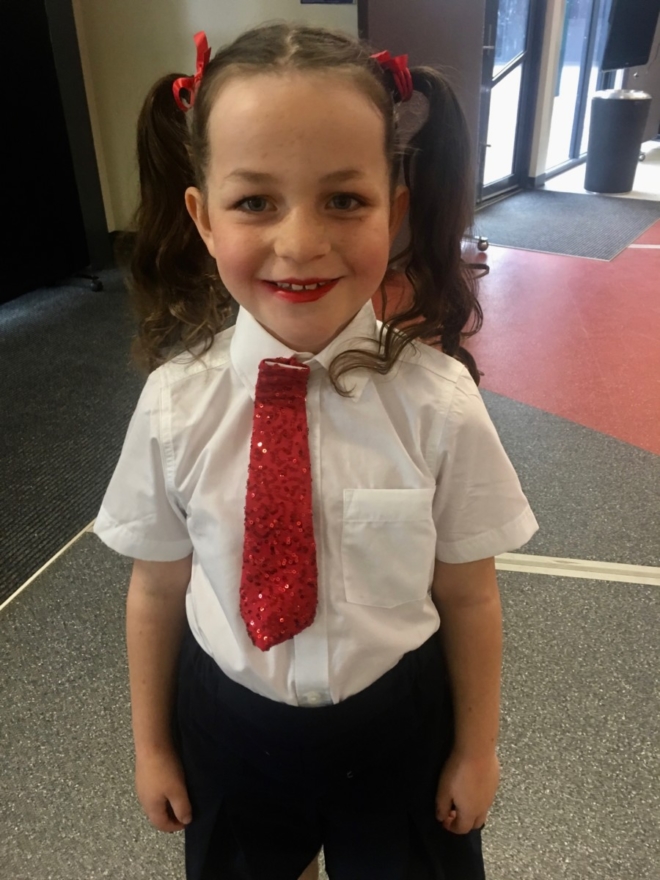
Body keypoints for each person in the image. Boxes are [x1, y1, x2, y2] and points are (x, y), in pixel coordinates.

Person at [94, 21, 538, 880]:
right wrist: (151, 747)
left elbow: (469, 594)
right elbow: (155, 587)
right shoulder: (175, 406)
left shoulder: (438, 406)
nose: (300, 243)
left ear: (393, 211)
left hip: (399, 730)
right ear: (202, 217)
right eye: (255, 202)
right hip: (229, 729)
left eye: (343, 200)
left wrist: (476, 750)